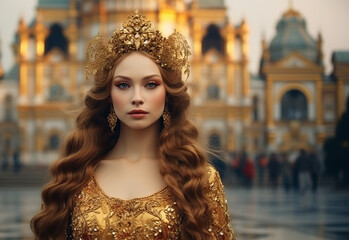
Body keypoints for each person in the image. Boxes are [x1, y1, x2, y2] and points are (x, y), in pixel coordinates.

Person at [30, 11, 234, 239]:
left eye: (150, 84)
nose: (137, 97)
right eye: (124, 85)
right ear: (108, 94)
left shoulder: (199, 180)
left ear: (168, 93)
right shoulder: (75, 176)